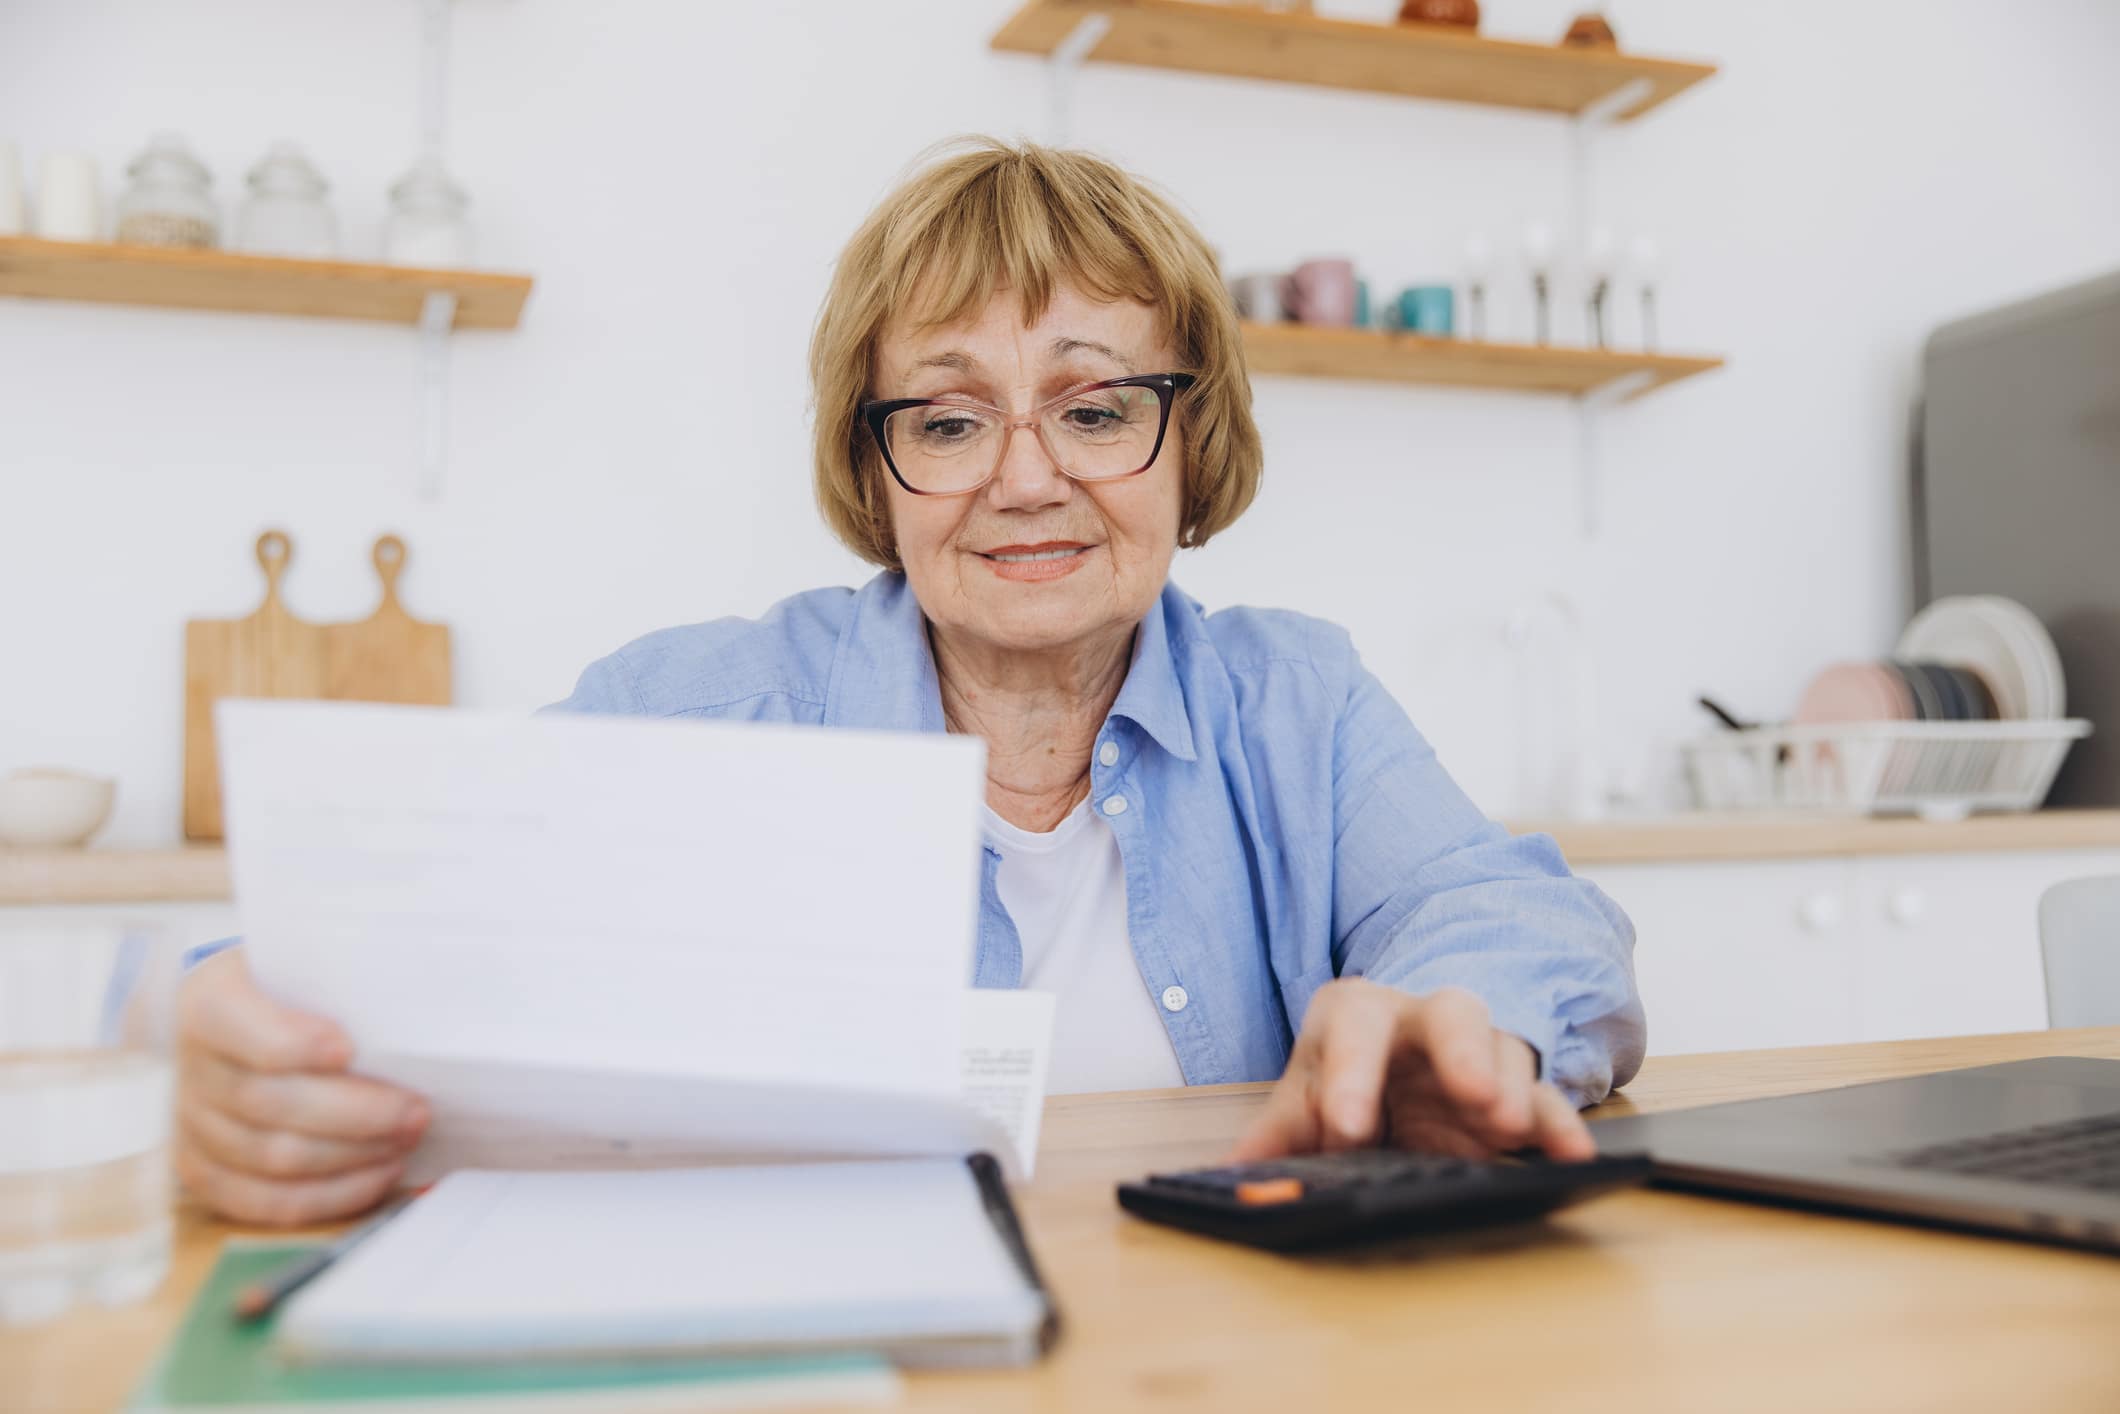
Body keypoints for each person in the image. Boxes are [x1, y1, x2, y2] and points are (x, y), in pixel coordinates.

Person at [174, 139, 1645, 1226]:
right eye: (948, 420)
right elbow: (318, 956)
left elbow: (1518, 917)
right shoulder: (704, 704)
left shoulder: (1298, 698)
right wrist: (210, 1044)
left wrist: (1462, 1030)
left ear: (1189, 445)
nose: (1024, 478)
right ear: (877, 474)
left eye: (1095, 405)